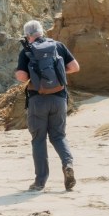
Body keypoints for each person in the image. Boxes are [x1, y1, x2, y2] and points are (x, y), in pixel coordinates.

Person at [15, 20, 80, 191]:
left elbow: (22, 77)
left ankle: (40, 182)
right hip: (59, 99)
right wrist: (56, 72)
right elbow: (74, 67)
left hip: (38, 100)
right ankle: (68, 164)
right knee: (58, 136)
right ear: (42, 32)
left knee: (39, 139)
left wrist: (36, 75)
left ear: (28, 36)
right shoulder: (58, 46)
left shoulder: (27, 51)